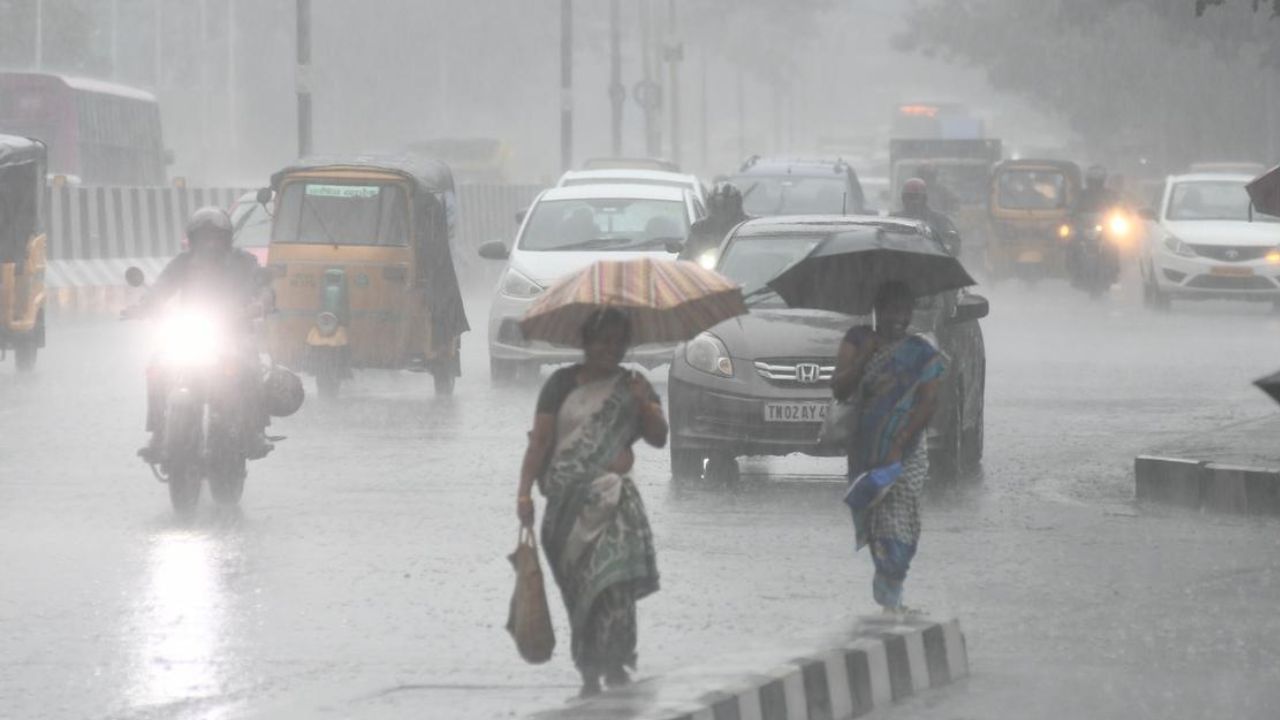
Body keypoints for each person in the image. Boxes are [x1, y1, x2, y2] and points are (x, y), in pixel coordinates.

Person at [516, 307, 667, 697]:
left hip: (614, 506)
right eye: (603, 340)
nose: (610, 349)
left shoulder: (634, 384)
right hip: (565, 510)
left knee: (613, 587)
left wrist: (644, 403)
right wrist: (523, 491)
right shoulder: (560, 385)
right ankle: (588, 669)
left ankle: (615, 663)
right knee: (580, 593)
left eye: (618, 342)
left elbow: (658, 437)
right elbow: (540, 442)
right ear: (586, 342)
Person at [831, 282, 946, 614]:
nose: (898, 318)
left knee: (901, 524)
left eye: (904, 310)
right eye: (891, 310)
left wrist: (898, 444)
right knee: (876, 523)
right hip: (866, 450)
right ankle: (890, 601)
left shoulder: (922, 352)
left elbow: (928, 403)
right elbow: (839, 388)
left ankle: (891, 593)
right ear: (877, 311)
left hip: (906, 453)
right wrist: (865, 357)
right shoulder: (858, 340)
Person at [126, 206, 274, 462]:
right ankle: (159, 434)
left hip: (233, 333)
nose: (210, 243)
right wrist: (143, 306)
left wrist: (260, 303)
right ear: (193, 239)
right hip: (190, 332)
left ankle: (255, 431)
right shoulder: (182, 263)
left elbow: (263, 288)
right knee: (157, 367)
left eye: (215, 236)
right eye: (204, 237)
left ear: (226, 238)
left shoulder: (243, 262)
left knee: (251, 368)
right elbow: (161, 288)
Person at [679, 182, 751, 266]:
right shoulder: (699, 227)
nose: (721, 210)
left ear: (737, 205)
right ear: (710, 205)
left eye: (727, 205)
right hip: (703, 272)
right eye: (716, 205)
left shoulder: (748, 225)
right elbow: (687, 251)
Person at [898, 178, 961, 256]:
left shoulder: (940, 220)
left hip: (932, 263)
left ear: (924, 199)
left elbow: (953, 245)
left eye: (916, 197)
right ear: (903, 198)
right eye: (910, 197)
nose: (913, 201)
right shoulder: (894, 220)